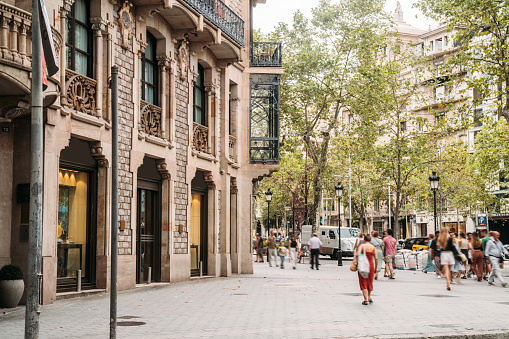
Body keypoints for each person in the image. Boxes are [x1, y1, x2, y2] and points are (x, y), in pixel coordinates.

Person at [356, 235, 378, 305]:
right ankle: (369, 297)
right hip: (371, 266)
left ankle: (365, 300)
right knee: (369, 281)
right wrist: (376, 268)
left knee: (363, 282)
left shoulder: (362, 246)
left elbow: (357, 254)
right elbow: (376, 258)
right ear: (370, 241)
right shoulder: (373, 247)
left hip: (363, 266)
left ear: (364, 240)